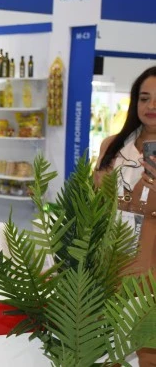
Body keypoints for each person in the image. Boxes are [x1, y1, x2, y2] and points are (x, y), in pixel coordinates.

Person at [95, 66, 156, 366]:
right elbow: (95, 201)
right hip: (111, 263)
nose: (151, 106)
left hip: (150, 266)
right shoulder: (112, 146)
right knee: (108, 351)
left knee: (149, 352)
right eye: (144, 98)